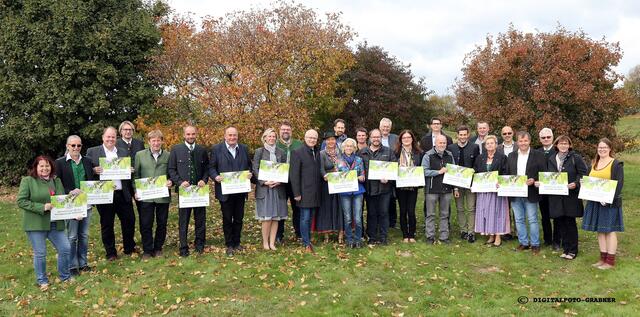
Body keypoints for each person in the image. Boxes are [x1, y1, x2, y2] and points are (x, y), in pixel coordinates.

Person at [17, 156, 71, 290]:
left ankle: (65, 276)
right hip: (36, 223)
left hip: (55, 223)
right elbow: (21, 201)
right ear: (36, 167)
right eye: (41, 166)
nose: (45, 168)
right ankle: (42, 280)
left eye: (47, 166)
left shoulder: (56, 181)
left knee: (65, 248)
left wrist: (75, 214)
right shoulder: (28, 181)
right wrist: (42, 207)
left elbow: (62, 201)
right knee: (40, 253)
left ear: (51, 167)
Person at [86, 126, 137, 260]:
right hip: (105, 194)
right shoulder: (92, 152)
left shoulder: (122, 151)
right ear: (103, 137)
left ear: (116, 138)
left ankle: (129, 248)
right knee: (107, 224)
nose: (110, 139)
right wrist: (93, 170)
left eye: (113, 137)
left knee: (129, 221)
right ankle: (111, 253)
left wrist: (129, 170)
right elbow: (86, 171)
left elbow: (127, 172)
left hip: (122, 193)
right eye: (108, 136)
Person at [535, 135, 587, 260]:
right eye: (561, 143)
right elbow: (549, 176)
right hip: (556, 196)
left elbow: (583, 174)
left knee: (570, 222)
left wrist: (576, 183)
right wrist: (540, 183)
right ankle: (566, 249)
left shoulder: (576, 158)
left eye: (566, 143)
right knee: (560, 221)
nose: (563, 145)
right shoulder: (552, 158)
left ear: (569, 145)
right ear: (556, 145)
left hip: (570, 196)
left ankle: (573, 250)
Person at [210, 126, 253, 257]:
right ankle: (229, 244)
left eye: (234, 135)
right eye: (230, 135)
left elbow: (249, 166)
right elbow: (211, 167)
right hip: (225, 191)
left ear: (237, 136)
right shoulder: (217, 149)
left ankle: (237, 242)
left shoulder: (244, 149)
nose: (232, 137)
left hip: (240, 191)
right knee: (227, 218)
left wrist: (250, 174)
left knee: (239, 218)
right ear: (225, 136)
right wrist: (216, 177)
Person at [582, 138, 624, 269]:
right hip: (595, 201)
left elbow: (619, 184)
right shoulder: (594, 163)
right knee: (600, 231)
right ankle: (603, 258)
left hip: (609, 203)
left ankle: (610, 261)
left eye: (605, 147)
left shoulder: (616, 164)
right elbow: (589, 180)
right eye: (600, 147)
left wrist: (608, 198)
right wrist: (584, 183)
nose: (602, 150)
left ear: (610, 148)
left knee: (610, 231)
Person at [168, 125, 209, 257]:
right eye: (188, 134)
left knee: (200, 219)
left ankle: (199, 244)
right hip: (184, 191)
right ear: (184, 135)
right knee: (183, 220)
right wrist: (180, 182)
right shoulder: (176, 149)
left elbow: (207, 168)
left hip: (199, 191)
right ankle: (183, 246)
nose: (191, 136)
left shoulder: (201, 150)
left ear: (196, 134)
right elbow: (171, 169)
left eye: (193, 134)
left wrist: (204, 180)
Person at [55, 135, 94, 275]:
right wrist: (69, 191)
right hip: (70, 206)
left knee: (84, 235)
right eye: (73, 145)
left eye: (79, 145)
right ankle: (72, 266)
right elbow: (56, 184)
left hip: (87, 205)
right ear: (67, 146)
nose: (76, 148)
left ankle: (83, 263)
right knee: (72, 237)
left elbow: (93, 181)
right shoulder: (59, 163)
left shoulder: (88, 161)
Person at [133, 130, 173, 259]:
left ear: (162, 141)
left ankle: (158, 248)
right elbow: (136, 175)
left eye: (158, 140)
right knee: (146, 224)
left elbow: (172, 173)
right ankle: (147, 250)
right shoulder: (140, 155)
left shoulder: (168, 155)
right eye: (153, 140)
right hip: (146, 197)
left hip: (162, 196)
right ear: (149, 142)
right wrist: (136, 190)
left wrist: (171, 182)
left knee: (162, 223)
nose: (156, 143)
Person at [506, 131, 546, 255]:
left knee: (533, 219)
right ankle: (524, 242)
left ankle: (535, 244)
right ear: (517, 142)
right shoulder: (511, 156)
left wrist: (534, 180)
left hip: (531, 192)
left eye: (525, 141)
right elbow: (507, 174)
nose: (523, 143)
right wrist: (502, 184)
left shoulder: (538, 155)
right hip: (516, 192)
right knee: (519, 219)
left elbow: (543, 173)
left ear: (529, 141)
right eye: (520, 141)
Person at [359, 129, 396, 245]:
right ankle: (372, 236)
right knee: (371, 213)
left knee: (384, 212)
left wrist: (388, 178)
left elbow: (394, 167)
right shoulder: (362, 152)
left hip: (384, 189)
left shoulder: (388, 152)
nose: (376, 139)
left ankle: (384, 237)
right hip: (369, 188)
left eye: (378, 137)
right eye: (374, 137)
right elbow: (357, 168)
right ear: (370, 138)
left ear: (381, 138)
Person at [253, 128, 288, 250]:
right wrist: (264, 182)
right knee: (267, 218)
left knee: (275, 218)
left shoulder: (281, 152)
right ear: (265, 138)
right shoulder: (259, 151)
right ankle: (265, 242)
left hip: (278, 189)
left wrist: (280, 180)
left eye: (274, 136)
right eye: (269, 136)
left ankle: (272, 243)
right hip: (265, 189)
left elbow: (284, 169)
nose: (272, 138)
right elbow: (255, 169)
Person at [473, 135, 510, 247]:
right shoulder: (480, 158)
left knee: (497, 212)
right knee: (486, 213)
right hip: (484, 191)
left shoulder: (502, 157)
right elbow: (476, 172)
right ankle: (491, 235)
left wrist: (500, 182)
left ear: (496, 144)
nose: (489, 145)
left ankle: (498, 235)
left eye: (492, 143)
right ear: (485, 145)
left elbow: (505, 172)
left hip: (496, 190)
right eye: (487, 143)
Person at [290, 129, 322, 253]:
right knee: (304, 218)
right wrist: (296, 193)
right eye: (310, 137)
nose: (312, 140)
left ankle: (308, 239)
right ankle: (305, 243)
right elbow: (294, 175)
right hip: (303, 192)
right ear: (305, 137)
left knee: (311, 217)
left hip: (315, 192)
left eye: (314, 138)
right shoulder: (297, 152)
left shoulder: (317, 152)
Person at [422, 135, 459, 244]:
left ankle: (444, 236)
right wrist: (438, 172)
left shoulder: (449, 155)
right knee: (430, 214)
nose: (442, 145)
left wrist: (455, 188)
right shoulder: (428, 155)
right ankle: (430, 236)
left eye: (444, 143)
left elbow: (454, 171)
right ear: (435, 143)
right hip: (432, 189)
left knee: (445, 214)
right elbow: (423, 171)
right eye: (440, 143)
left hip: (446, 189)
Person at [447, 125, 480, 243]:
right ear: (457, 135)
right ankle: (463, 230)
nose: (463, 137)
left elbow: (477, 164)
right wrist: (454, 187)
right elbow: (450, 167)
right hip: (457, 184)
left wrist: (474, 170)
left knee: (471, 208)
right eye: (460, 135)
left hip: (470, 183)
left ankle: (471, 232)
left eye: (465, 134)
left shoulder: (474, 147)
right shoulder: (451, 148)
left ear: (468, 135)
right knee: (460, 208)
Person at [275, 121, 304, 243]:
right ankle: (278, 235)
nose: (285, 131)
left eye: (287, 129)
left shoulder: (299, 144)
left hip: (295, 181)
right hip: (279, 182)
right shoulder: (274, 144)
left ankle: (299, 233)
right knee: (280, 208)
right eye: (283, 129)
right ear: (279, 131)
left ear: (291, 131)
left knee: (297, 208)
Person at [336, 138, 366, 248]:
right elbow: (336, 177)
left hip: (358, 191)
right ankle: (349, 239)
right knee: (348, 217)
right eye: (347, 146)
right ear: (343, 148)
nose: (349, 148)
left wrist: (360, 177)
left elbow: (363, 176)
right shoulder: (338, 161)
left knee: (358, 218)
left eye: (351, 146)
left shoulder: (359, 160)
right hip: (344, 192)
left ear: (354, 148)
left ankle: (358, 239)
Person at [394, 130, 423, 243]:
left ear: (412, 139)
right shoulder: (396, 153)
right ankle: (405, 235)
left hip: (412, 186)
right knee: (402, 211)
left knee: (411, 211)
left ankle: (412, 234)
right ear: (401, 140)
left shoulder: (418, 152)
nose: (406, 139)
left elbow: (421, 168)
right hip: (400, 186)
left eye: (408, 137)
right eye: (404, 138)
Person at [318, 132, 345, 243]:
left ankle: (340, 234)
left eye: (333, 139)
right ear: (325, 141)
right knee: (327, 208)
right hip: (327, 184)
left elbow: (344, 166)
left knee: (340, 208)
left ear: (335, 141)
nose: (330, 142)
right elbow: (321, 168)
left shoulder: (341, 152)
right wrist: (324, 175)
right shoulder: (322, 154)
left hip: (339, 184)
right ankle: (326, 235)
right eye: (328, 140)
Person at [537, 127, 560, 250]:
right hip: (542, 189)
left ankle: (557, 240)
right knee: (544, 215)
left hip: (555, 189)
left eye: (548, 137)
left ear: (552, 137)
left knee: (556, 215)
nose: (546, 139)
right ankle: (547, 239)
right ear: (540, 139)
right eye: (543, 137)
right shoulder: (537, 152)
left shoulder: (558, 151)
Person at [117, 121, 146, 217]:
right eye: (125, 129)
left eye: (130, 129)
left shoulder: (139, 143)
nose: (128, 132)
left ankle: (144, 231)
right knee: (127, 213)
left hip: (138, 180)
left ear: (133, 131)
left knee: (143, 210)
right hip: (123, 183)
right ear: (121, 131)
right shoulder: (116, 144)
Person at [380, 118, 399, 229]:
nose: (385, 128)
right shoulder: (375, 137)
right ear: (380, 127)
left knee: (392, 197)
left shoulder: (395, 138)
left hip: (392, 169)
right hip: (379, 171)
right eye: (384, 126)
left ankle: (392, 221)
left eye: (387, 126)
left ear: (390, 128)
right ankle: (382, 220)